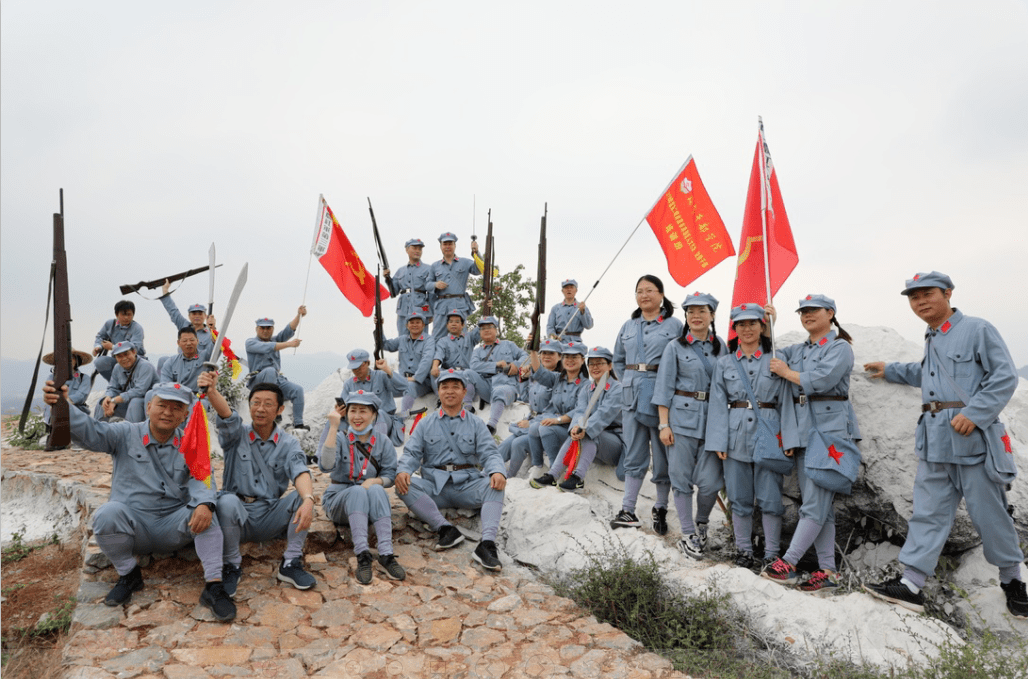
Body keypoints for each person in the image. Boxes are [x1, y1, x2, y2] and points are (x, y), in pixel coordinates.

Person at [862, 272, 1027, 617]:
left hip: (972, 439)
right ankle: (910, 585)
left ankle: (1013, 581)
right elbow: (929, 373)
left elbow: (1005, 375)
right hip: (935, 441)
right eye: (913, 297)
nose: (920, 302)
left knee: (990, 515)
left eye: (927, 294)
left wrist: (977, 413)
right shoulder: (933, 336)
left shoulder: (977, 329)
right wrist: (891, 369)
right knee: (928, 513)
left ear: (948, 293)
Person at [42, 380, 235, 621]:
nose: (167, 412)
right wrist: (62, 405)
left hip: (174, 525)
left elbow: (203, 479)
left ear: (185, 414)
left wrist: (205, 504)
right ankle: (129, 575)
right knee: (107, 514)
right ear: (148, 407)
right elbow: (91, 431)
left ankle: (214, 586)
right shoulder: (125, 433)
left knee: (207, 511)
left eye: (176, 408)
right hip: (136, 526)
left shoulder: (191, 442)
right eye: (162, 405)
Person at [763, 294, 861, 594]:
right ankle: (828, 571)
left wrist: (787, 373)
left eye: (813, 310)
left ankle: (789, 563)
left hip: (829, 433)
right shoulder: (801, 349)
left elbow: (821, 380)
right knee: (820, 507)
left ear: (830, 313)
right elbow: (774, 353)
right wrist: (770, 326)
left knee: (815, 504)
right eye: (803, 312)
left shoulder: (839, 347)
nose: (806, 315)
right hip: (807, 433)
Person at [198, 372, 317, 597]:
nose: (260, 409)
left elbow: (300, 471)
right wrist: (212, 391)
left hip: (269, 512)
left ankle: (291, 562)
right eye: (255, 403)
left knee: (302, 498)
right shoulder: (236, 435)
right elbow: (227, 415)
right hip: (236, 516)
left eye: (268, 404)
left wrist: (309, 499)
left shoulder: (288, 443)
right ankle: (232, 564)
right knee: (227, 501)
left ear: (280, 409)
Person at [395, 369, 507, 570]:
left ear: (465, 392)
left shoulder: (476, 423)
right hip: (434, 488)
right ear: (438, 392)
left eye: (456, 386)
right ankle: (445, 529)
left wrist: (497, 471)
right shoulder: (425, 423)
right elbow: (411, 453)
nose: (450, 391)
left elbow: (489, 453)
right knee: (403, 486)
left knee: (495, 486)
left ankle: (487, 544)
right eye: (444, 387)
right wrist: (404, 471)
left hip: (467, 486)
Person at [705, 303, 788, 569]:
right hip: (735, 434)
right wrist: (718, 441)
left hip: (769, 432)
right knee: (740, 498)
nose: (747, 328)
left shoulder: (776, 358)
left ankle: (772, 552)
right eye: (741, 324)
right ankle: (743, 549)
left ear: (762, 326)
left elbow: (786, 401)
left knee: (770, 498)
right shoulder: (725, 363)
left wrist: (789, 438)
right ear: (735, 329)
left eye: (753, 323)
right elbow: (718, 403)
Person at [654, 292, 728, 559]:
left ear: (712, 315)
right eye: (690, 312)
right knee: (681, 479)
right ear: (685, 316)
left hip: (714, 421)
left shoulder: (721, 346)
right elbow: (664, 388)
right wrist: (664, 424)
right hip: (681, 419)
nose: (696, 316)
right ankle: (688, 534)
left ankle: (702, 522)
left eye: (702, 311)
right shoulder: (675, 347)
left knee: (710, 483)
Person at [611, 275, 683, 532]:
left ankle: (660, 506)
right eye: (639, 291)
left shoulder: (675, 325)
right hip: (631, 396)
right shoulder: (628, 326)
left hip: (661, 395)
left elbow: (683, 359)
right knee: (634, 451)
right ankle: (628, 509)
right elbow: (618, 360)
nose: (644, 295)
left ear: (661, 294)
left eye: (650, 290)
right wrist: (628, 381)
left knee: (663, 454)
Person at [319, 390, 407, 585]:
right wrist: (333, 427)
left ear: (374, 414)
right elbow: (325, 465)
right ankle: (362, 555)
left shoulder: (383, 441)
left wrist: (375, 481)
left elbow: (390, 474)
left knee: (376, 489)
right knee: (358, 490)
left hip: (368, 499)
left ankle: (386, 554)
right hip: (338, 500)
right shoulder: (339, 436)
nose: (357, 417)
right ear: (346, 413)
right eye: (353, 411)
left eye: (363, 411)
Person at [532, 346, 624, 491]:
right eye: (592, 363)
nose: (595, 367)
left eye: (600, 363)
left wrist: (584, 429)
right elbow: (580, 411)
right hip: (594, 438)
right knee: (577, 434)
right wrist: (576, 427)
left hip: (615, 440)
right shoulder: (587, 389)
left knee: (588, 434)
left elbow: (604, 414)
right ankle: (553, 475)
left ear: (610, 365)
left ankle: (577, 478)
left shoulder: (617, 389)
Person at [501, 338, 562, 477]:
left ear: (559, 356)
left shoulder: (559, 380)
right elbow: (526, 399)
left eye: (551, 353)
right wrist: (524, 379)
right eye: (543, 353)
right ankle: (488, 471)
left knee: (517, 443)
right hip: (532, 420)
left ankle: (509, 475)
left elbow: (554, 411)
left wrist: (531, 423)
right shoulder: (535, 376)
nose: (546, 356)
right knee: (506, 444)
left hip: (544, 426)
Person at [529, 341, 590, 472]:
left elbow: (581, 410)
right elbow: (539, 372)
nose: (570, 360)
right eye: (567, 357)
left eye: (574, 357)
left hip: (570, 428)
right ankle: (538, 466)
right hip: (556, 423)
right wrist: (533, 351)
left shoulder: (586, 385)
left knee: (545, 429)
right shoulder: (557, 378)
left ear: (583, 360)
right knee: (533, 428)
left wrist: (557, 420)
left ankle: (555, 467)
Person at [244, 308, 308, 431]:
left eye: (268, 328)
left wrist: (299, 315)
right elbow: (269, 347)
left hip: (276, 380)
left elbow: (289, 330)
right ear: (256, 329)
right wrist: (289, 344)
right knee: (270, 371)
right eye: (262, 328)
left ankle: (298, 424)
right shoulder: (250, 342)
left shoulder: (275, 339)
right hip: (258, 381)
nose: (265, 330)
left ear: (272, 329)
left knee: (298, 390)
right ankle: (274, 410)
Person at [469, 316, 527, 434]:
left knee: (499, 391)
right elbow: (474, 366)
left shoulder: (508, 345)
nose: (486, 330)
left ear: (496, 330)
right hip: (486, 387)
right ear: (480, 333)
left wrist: (515, 365)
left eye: (490, 327)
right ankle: (468, 408)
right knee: (466, 373)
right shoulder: (478, 351)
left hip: (507, 386)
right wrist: (496, 365)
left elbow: (526, 357)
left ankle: (491, 425)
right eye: (483, 328)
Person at [340, 349, 407, 445]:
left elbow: (405, 387)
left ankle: (378, 449)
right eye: (354, 368)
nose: (357, 370)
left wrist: (387, 370)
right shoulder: (349, 384)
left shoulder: (381, 376)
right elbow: (344, 406)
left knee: (378, 413)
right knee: (336, 420)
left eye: (359, 366)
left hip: (383, 420)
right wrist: (341, 411)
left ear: (368, 363)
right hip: (360, 421)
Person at [383, 310, 436, 418]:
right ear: (407, 325)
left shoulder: (429, 340)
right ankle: (383, 413)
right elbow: (386, 345)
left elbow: (427, 360)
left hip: (421, 382)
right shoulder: (402, 339)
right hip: (403, 380)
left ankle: (404, 414)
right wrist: (379, 326)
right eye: (412, 322)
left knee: (410, 386)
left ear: (423, 325)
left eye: (418, 322)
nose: (414, 325)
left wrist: (416, 378)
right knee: (382, 384)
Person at [428, 232, 481, 338]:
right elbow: (427, 284)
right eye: (445, 244)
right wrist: (435, 284)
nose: (447, 247)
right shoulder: (435, 266)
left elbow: (479, 269)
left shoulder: (465, 262)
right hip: (441, 306)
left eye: (450, 244)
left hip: (459, 305)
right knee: (437, 337)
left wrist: (476, 252)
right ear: (441, 246)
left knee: (461, 337)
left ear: (454, 245)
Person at [95, 342, 158, 423]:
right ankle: (99, 429)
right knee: (103, 402)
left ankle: (131, 431)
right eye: (119, 356)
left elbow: (139, 391)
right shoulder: (117, 367)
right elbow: (113, 387)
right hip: (128, 400)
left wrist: (115, 400)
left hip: (147, 403)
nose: (124, 358)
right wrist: (109, 397)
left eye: (126, 354)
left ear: (134, 352)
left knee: (135, 402)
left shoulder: (145, 366)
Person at [432, 309, 482, 407]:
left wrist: (486, 308)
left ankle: (467, 405)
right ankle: (441, 400)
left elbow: (482, 326)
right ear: (447, 325)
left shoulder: (470, 337)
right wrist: (435, 366)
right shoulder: (443, 341)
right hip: (449, 372)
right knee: (436, 376)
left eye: (457, 322)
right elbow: (439, 354)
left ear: (463, 325)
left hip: (465, 373)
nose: (453, 324)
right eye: (451, 322)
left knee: (470, 381)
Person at [385, 238, 434, 335]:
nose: (417, 251)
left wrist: (430, 313)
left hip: (420, 311)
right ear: (407, 249)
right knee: (403, 340)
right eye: (414, 248)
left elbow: (432, 293)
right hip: (403, 311)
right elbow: (394, 292)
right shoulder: (401, 271)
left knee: (421, 341)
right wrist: (387, 278)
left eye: (419, 249)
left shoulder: (428, 269)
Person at [158, 279, 216, 358]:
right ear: (189, 316)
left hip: (199, 365)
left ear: (205, 316)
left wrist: (213, 329)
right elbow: (172, 310)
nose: (197, 316)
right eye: (194, 314)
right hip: (181, 363)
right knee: (163, 360)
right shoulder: (184, 325)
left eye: (200, 313)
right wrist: (165, 290)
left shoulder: (210, 333)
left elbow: (212, 353)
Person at [93, 300, 147, 381]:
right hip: (118, 359)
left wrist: (113, 347)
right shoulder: (110, 324)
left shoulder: (137, 328)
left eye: (129, 314)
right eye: (123, 314)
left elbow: (134, 348)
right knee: (99, 362)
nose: (126, 318)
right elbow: (100, 337)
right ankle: (115, 385)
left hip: (135, 361)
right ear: (116, 314)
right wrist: (98, 347)